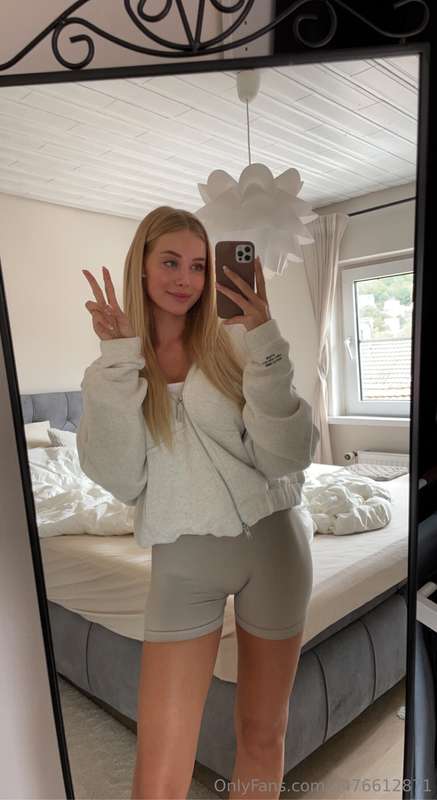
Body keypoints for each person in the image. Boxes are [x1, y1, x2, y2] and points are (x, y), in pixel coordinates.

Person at [79, 206, 319, 800]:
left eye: (198, 265)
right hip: (184, 561)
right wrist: (118, 358)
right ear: (141, 265)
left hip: (275, 545)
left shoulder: (236, 343)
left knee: (263, 733)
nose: (185, 279)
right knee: (159, 771)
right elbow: (120, 478)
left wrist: (266, 343)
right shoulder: (117, 367)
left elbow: (287, 456)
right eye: (170, 262)